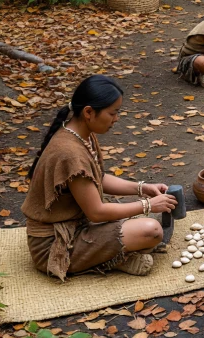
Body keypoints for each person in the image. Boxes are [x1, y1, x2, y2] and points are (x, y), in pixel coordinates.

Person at [22, 75, 176, 279]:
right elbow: (96, 212)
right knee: (152, 230)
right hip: (56, 245)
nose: (116, 118)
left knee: (141, 216)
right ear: (89, 112)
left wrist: (142, 188)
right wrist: (148, 205)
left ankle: (116, 251)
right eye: (112, 113)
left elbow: (98, 179)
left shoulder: (80, 132)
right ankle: (115, 258)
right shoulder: (70, 153)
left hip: (78, 224)